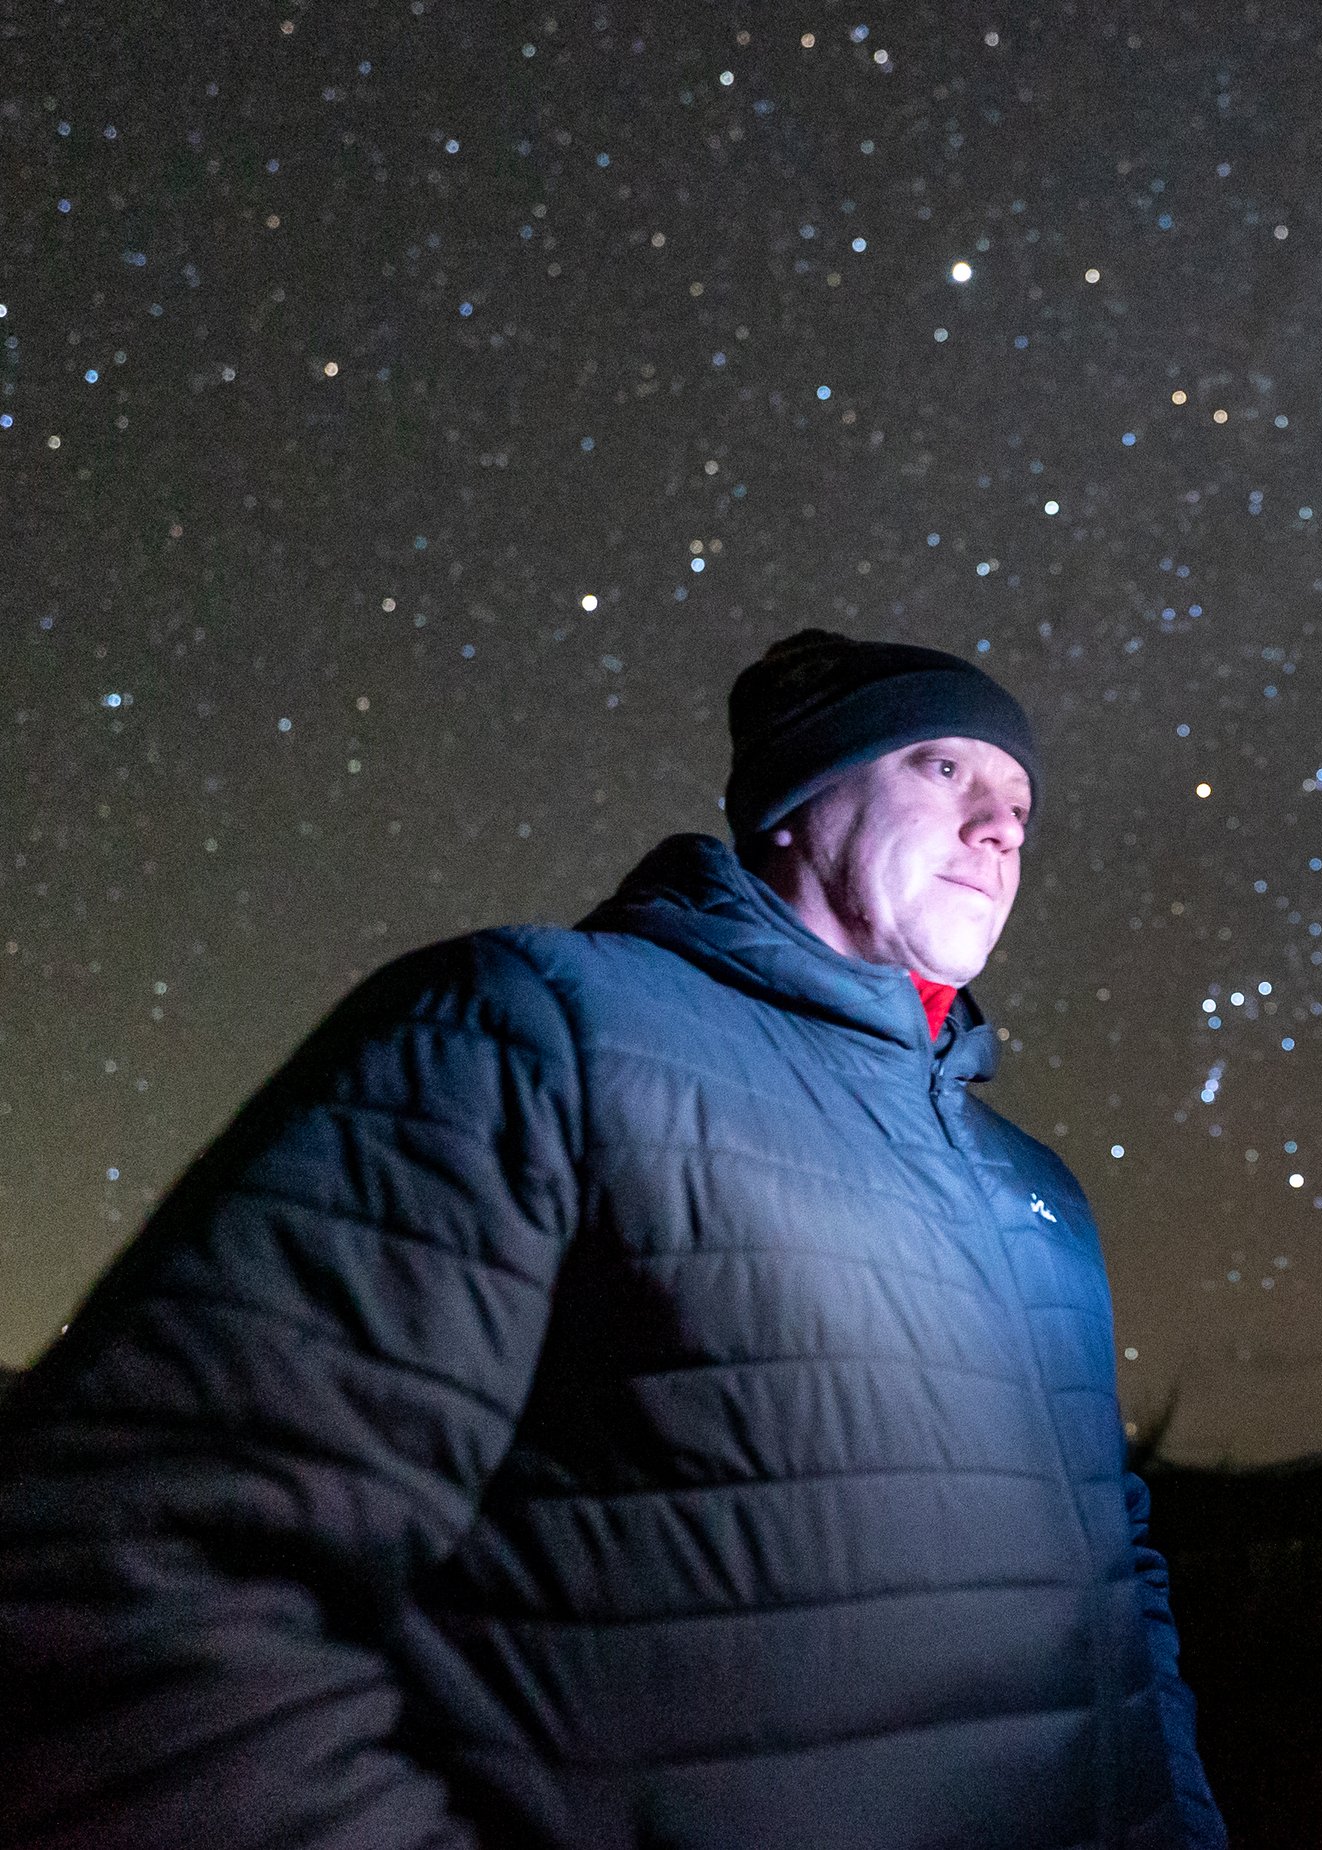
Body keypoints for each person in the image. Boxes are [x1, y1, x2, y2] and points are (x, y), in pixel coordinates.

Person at [0, 633, 1227, 1850]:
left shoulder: (1040, 1190)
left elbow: (1125, 1596)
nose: (1003, 828)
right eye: (944, 768)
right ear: (799, 801)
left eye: (1020, 802)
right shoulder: (543, 1031)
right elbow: (123, 1582)